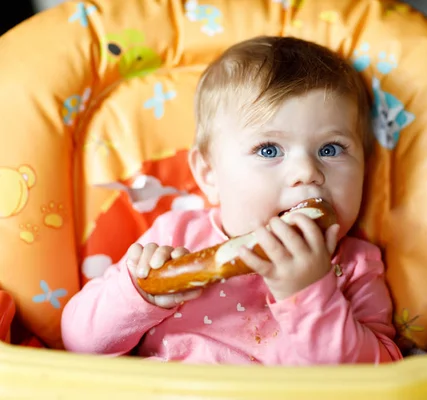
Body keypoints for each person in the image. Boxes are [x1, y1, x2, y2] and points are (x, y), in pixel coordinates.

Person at [61, 36, 403, 365]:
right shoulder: (175, 239)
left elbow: (381, 375)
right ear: (209, 174)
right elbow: (79, 343)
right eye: (269, 149)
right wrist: (140, 295)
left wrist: (310, 295)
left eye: (330, 149)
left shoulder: (355, 266)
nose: (307, 172)